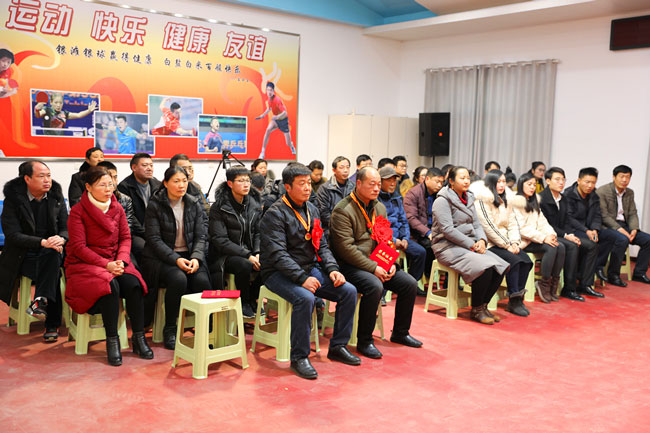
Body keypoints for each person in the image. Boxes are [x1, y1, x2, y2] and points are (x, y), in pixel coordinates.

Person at [260, 163, 359, 379]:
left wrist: (332, 269)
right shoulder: (274, 214)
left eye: (308, 183)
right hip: (277, 272)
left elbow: (321, 245)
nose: (307, 188)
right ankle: (299, 357)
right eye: (301, 184)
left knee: (348, 291)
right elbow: (278, 255)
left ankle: (338, 346)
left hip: (308, 268)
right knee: (305, 298)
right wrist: (302, 278)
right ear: (288, 187)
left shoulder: (311, 209)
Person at [330, 166, 423, 359]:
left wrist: (390, 264)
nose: (376, 188)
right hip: (350, 266)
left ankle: (400, 332)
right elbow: (345, 249)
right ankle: (365, 341)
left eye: (379, 184)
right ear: (358, 184)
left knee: (409, 284)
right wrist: (374, 268)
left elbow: (386, 240)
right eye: (372, 184)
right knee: (374, 285)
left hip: (377, 263)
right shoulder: (343, 210)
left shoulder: (379, 207)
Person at [65, 166, 152, 366]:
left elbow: (126, 238)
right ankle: (112, 340)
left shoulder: (117, 207)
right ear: (88, 187)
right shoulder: (78, 211)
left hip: (115, 260)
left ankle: (138, 337)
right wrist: (106, 265)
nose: (108, 189)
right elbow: (78, 247)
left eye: (110, 185)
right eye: (102, 185)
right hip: (86, 263)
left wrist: (121, 260)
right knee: (108, 286)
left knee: (134, 283)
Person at [140, 166, 211, 349]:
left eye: (184, 181)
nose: (181, 185)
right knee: (178, 279)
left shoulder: (194, 203)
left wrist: (196, 258)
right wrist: (175, 259)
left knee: (202, 281)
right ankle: (170, 328)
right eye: (176, 181)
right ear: (165, 183)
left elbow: (201, 236)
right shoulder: (155, 205)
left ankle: (206, 328)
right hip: (161, 258)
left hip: (190, 255)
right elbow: (154, 240)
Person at [431, 166, 509, 325]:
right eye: (462, 178)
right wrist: (472, 244)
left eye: (468, 178)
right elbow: (447, 230)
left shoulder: (469, 197)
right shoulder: (442, 200)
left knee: (500, 266)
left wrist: (482, 240)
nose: (466, 181)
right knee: (485, 267)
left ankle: (484, 306)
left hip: (469, 244)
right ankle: (476, 309)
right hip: (447, 246)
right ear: (451, 181)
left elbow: (477, 224)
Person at [0, 161, 67, 341]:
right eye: (41, 176)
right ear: (27, 179)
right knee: (52, 269)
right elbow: (13, 235)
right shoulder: (13, 201)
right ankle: (51, 322)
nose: (47, 180)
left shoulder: (56, 197)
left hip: (53, 250)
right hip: (24, 255)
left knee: (52, 258)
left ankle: (41, 301)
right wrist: (43, 242)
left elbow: (65, 227)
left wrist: (61, 238)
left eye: (49, 176)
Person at [475, 169, 533, 317]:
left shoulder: (506, 200)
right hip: (489, 244)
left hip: (506, 243)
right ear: (491, 183)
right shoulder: (482, 200)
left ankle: (518, 299)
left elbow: (513, 224)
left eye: (503, 182)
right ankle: (513, 298)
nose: (501, 185)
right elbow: (489, 227)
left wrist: (515, 243)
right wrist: (507, 245)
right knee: (514, 261)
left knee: (526, 261)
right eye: (498, 182)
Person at [209, 167, 262, 318]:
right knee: (244, 264)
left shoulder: (254, 204)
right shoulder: (219, 207)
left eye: (248, 180)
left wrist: (257, 252)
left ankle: (253, 297)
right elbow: (220, 240)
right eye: (241, 181)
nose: (246, 184)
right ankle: (243, 301)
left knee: (271, 261)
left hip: (250, 251)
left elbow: (258, 232)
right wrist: (247, 255)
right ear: (230, 184)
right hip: (225, 255)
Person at [512, 172, 566, 303]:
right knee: (551, 248)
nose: (532, 187)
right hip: (522, 240)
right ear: (521, 185)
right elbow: (522, 229)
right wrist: (543, 238)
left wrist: (551, 234)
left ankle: (553, 284)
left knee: (560, 246)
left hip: (535, 238)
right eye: (529, 184)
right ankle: (544, 283)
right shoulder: (516, 202)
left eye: (534, 184)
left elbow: (543, 222)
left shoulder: (534, 201)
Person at [539, 167, 591, 301]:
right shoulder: (542, 198)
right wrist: (566, 235)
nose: (561, 183)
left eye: (563, 179)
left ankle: (581, 284)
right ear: (548, 181)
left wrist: (570, 234)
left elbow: (567, 220)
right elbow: (547, 224)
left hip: (561, 233)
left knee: (588, 245)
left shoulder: (563, 199)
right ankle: (568, 288)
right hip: (546, 234)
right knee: (571, 246)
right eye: (557, 179)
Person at [564, 167, 616, 297]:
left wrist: (594, 229)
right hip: (574, 229)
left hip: (589, 229)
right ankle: (585, 283)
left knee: (611, 236)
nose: (590, 186)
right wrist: (586, 230)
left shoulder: (594, 195)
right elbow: (569, 218)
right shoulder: (569, 194)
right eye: (587, 182)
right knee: (591, 245)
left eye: (593, 182)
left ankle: (597, 268)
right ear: (579, 180)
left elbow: (597, 215)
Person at [596, 165, 650, 284]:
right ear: (614, 177)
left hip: (624, 225)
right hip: (607, 226)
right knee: (622, 239)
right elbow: (604, 216)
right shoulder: (602, 191)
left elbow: (632, 213)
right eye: (621, 176)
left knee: (647, 240)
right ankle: (613, 275)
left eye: (627, 177)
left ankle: (639, 273)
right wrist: (620, 230)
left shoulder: (629, 192)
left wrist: (634, 229)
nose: (624, 180)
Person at [377, 166, 427, 287]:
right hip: (384, 240)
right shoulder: (376, 199)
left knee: (420, 252)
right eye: (389, 180)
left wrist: (405, 238)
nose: (392, 183)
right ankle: (383, 290)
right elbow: (377, 227)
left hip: (401, 238)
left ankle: (413, 283)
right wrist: (394, 241)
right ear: (380, 181)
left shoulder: (397, 198)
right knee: (385, 255)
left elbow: (403, 220)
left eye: (394, 180)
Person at [98, 161, 145, 265]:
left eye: (115, 177)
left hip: (119, 244)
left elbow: (127, 230)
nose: (113, 182)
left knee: (132, 268)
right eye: (109, 178)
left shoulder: (125, 200)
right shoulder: (84, 202)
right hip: (97, 247)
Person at [404, 167, 444, 277]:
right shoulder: (413, 193)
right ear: (427, 179)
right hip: (417, 233)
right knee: (429, 247)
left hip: (435, 230)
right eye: (437, 182)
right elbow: (411, 218)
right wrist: (427, 232)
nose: (440, 185)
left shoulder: (440, 194)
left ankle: (446, 279)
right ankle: (425, 277)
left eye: (442, 182)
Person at [117, 153, 161, 233]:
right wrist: (144, 232)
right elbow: (129, 215)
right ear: (134, 167)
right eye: (145, 165)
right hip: (136, 232)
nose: (149, 168)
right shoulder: (124, 187)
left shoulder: (158, 185)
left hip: (155, 229)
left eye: (151, 165)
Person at [316, 156, 354, 237]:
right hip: (331, 229)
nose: (345, 170)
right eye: (342, 167)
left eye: (347, 167)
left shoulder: (354, 187)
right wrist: (341, 225)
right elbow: (323, 213)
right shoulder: (324, 188)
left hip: (351, 227)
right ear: (334, 170)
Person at [255, 81, 296, 159]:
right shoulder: (269, 99)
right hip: (276, 121)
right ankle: (262, 152)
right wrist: (263, 115)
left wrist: (277, 117)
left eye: (271, 90)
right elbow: (269, 108)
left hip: (283, 121)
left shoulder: (277, 100)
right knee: (268, 130)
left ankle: (292, 146)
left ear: (273, 91)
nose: (269, 92)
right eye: (268, 90)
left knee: (288, 143)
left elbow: (285, 112)